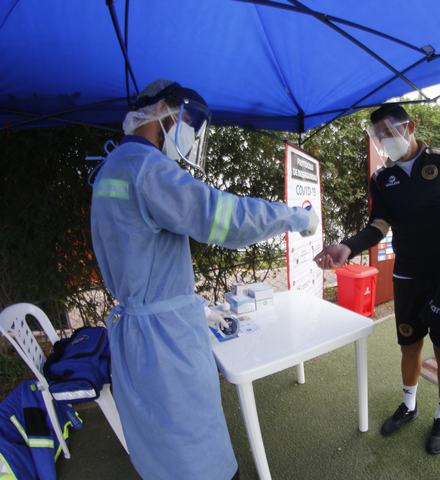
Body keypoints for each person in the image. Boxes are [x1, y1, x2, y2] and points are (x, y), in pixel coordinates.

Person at [90, 80, 318, 480]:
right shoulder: (149, 169)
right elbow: (225, 217)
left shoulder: (112, 167)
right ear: (162, 109)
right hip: (166, 341)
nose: (192, 133)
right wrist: (297, 217)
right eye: (190, 121)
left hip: (136, 336)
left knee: (161, 451)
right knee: (196, 452)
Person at [314, 104, 440, 455]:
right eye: (378, 135)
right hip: (407, 276)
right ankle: (409, 405)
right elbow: (378, 226)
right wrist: (348, 247)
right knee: (409, 346)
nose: (385, 140)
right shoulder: (382, 178)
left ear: (409, 126)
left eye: (389, 131)